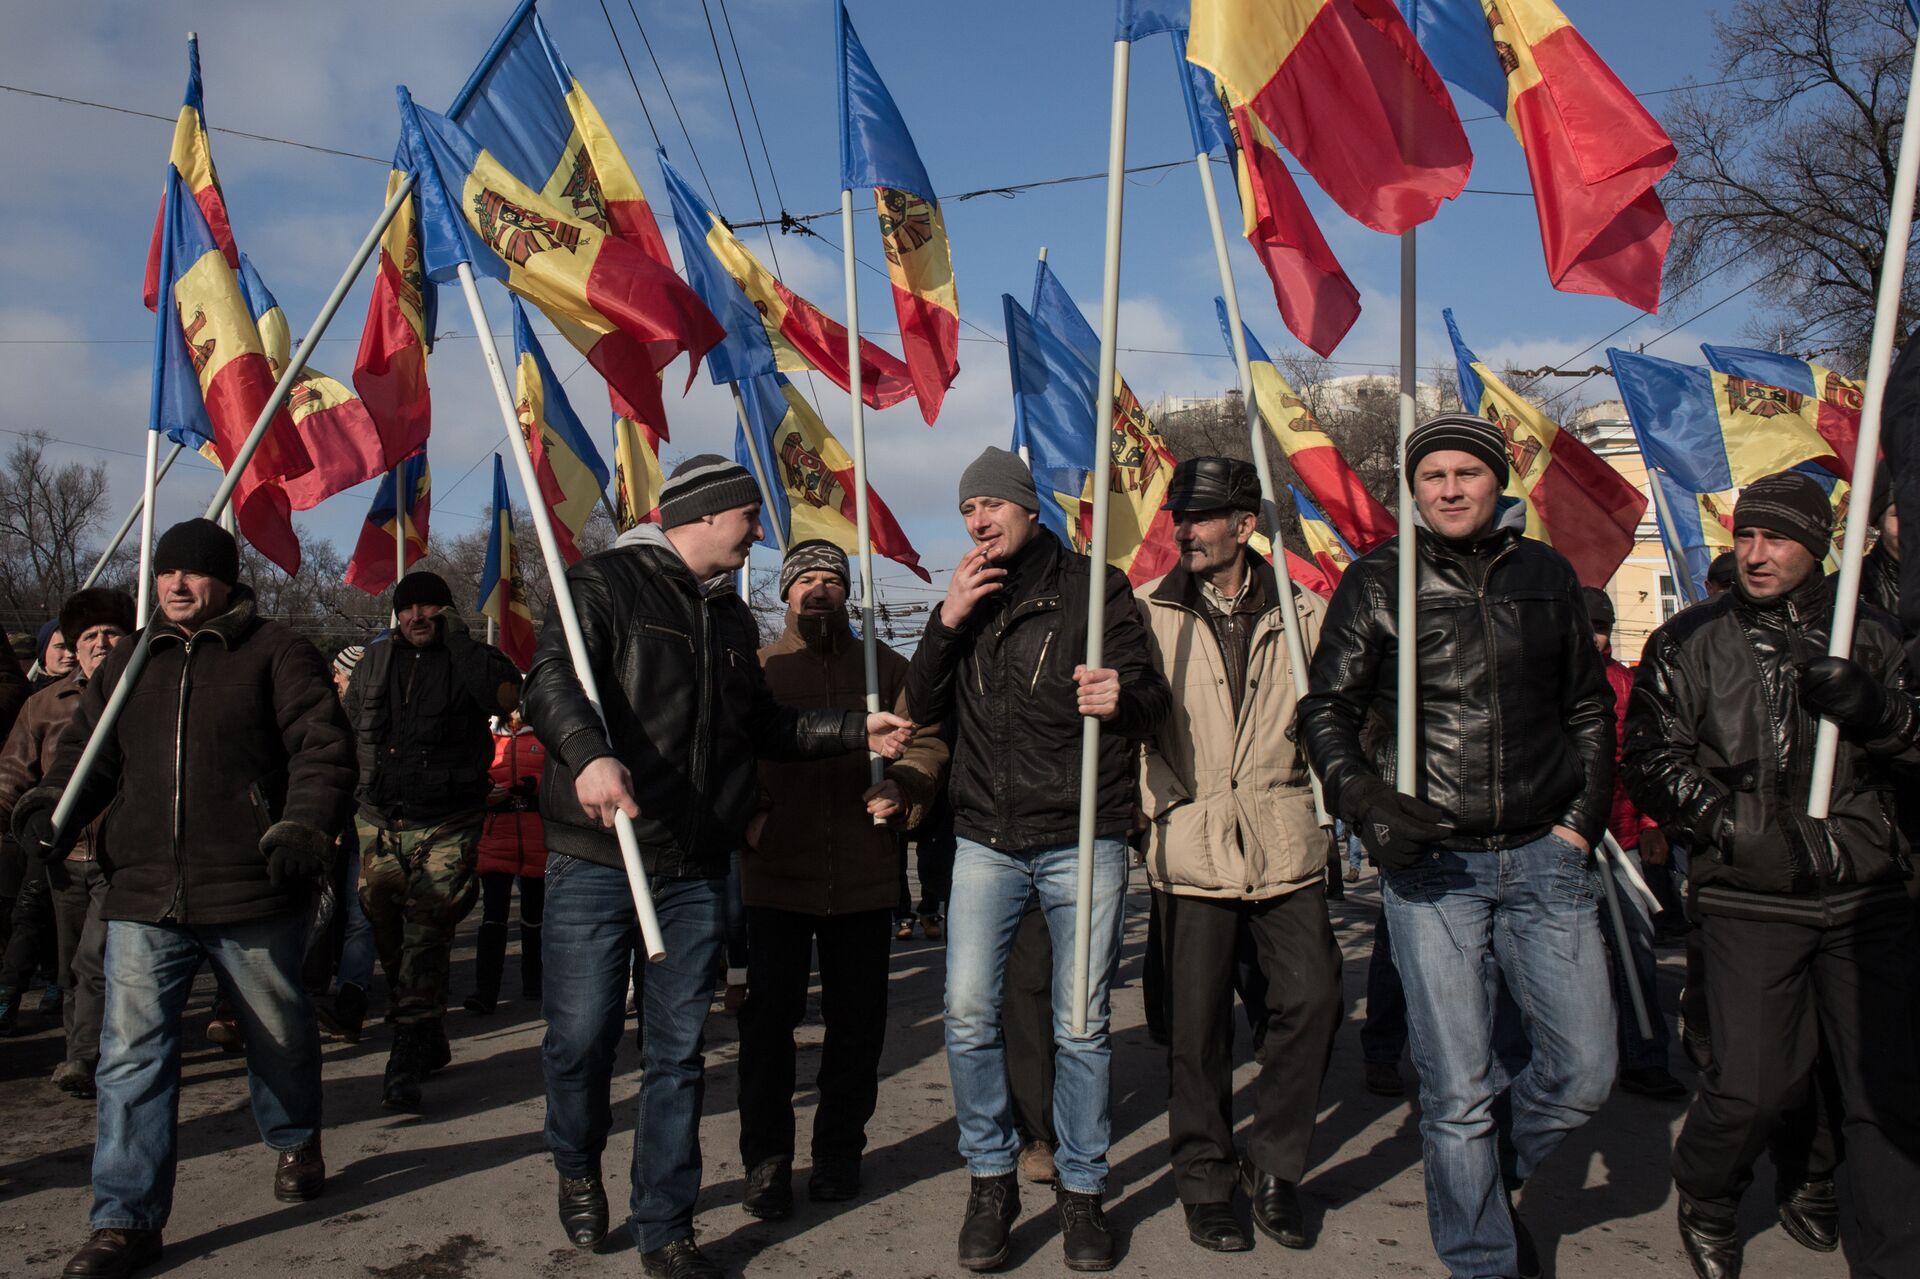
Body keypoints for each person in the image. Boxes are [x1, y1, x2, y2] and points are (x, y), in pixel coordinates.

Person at [522, 455, 914, 1279]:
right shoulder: (601, 583)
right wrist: (588, 754)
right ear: (706, 515)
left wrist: (855, 729)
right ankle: (576, 1156)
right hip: (600, 856)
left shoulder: (733, 620)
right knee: (581, 1038)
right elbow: (551, 678)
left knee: (678, 1053)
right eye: (750, 517)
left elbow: (766, 729)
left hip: (697, 868)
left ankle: (666, 1224)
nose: (760, 533)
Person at [1299, 414, 1617, 1279]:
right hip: (1432, 863)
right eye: (1431, 475)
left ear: (1494, 480)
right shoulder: (1378, 580)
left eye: (1464, 474)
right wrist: (1366, 801)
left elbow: (1589, 706)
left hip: (1544, 852)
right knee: (1458, 1086)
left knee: (1585, 1068)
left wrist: (1578, 822)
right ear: (1414, 488)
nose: (1447, 488)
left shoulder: (1546, 573)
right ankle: (1482, 1256)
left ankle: (1483, 1171)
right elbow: (1324, 709)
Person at [11, 518, 354, 1278]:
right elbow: (85, 755)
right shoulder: (129, 661)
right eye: (165, 572)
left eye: (193, 573)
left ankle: (295, 1134)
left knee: (280, 1035)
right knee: (131, 1056)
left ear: (227, 580)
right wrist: (52, 801)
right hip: (139, 893)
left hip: (250, 890)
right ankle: (124, 1220)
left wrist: (302, 822)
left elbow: (323, 746)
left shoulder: (276, 652)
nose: (174, 585)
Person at [1622, 469, 1920, 1279]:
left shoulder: (1878, 634)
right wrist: (1739, 826)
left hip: (1867, 892)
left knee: (1883, 1091)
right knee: (1755, 1082)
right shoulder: (1690, 640)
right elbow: (1650, 759)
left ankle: (1882, 1242)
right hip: (1750, 891)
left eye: (1777, 537)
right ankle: (1711, 1189)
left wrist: (1882, 716)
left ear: (1818, 548)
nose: (1755, 554)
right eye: (1745, 536)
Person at [905, 446, 1170, 1273]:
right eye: (967, 509)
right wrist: (945, 621)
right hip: (985, 838)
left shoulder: (1098, 588)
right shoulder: (965, 599)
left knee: (1083, 1024)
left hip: (1080, 835)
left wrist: (1122, 696)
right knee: (968, 1012)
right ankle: (992, 1177)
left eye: (992, 504)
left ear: (1028, 508)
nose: (979, 521)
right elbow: (920, 705)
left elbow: (1155, 695)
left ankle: (1084, 1192)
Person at [1135, 457, 1343, 1254]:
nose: (1183, 529)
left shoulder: (1304, 612)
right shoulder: (1149, 612)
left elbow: (1332, 718)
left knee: (1314, 1000)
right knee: (1196, 1029)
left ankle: (1277, 1167)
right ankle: (1205, 1179)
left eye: (1201, 515)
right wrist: (1143, 813)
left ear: (1245, 526)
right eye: (1180, 514)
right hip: (1190, 841)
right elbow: (1130, 728)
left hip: (1284, 833)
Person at [737, 539, 948, 1218]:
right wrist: (751, 813)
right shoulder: (761, 668)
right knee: (769, 1028)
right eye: (807, 579)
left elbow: (927, 736)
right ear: (785, 592)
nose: (820, 589)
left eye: (832, 578)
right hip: (776, 875)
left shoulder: (885, 666)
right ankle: (765, 1163)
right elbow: (729, 748)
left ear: (849, 591)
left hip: (863, 875)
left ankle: (837, 1154)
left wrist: (906, 786)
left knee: (856, 1028)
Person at [343, 570, 522, 1110]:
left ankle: (404, 1054)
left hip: (447, 821)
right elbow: (346, 731)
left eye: (429, 608)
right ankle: (428, 1031)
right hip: (378, 817)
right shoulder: (374, 663)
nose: (417, 617)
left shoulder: (467, 660)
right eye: (408, 608)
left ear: (444, 612)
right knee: (384, 924)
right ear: (396, 615)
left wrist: (460, 639)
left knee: (427, 929)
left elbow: (505, 693)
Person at [0, 589, 133, 1094]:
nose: (101, 643)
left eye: (111, 633)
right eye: (89, 636)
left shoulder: (144, 692)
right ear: (73, 648)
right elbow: (13, 773)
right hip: (64, 854)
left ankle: (90, 1057)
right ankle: (82, 1053)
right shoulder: (43, 704)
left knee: (95, 960)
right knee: (71, 964)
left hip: (124, 855)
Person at [1582, 586, 1686, 1102]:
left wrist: (1651, 824)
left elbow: (1646, 759)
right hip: (1556, 842)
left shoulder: (1626, 684)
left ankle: (1645, 1054)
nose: (1595, 637)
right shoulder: (1538, 679)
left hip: (1617, 841)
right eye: (1588, 626)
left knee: (1636, 947)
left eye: (1602, 626)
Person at [465, 709, 546, 1015]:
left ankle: (534, 983)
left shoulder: (542, 733)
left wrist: (534, 784)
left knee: (534, 913)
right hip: (497, 832)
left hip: (536, 832)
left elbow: (554, 772)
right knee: (494, 914)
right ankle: (486, 990)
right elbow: (473, 773)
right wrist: (486, 791)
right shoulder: (487, 735)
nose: (515, 710)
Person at [318, 645, 377, 1042]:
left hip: (357, 825)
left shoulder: (355, 720)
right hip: (339, 824)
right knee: (336, 912)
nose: (334, 680)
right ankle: (337, 986)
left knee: (356, 914)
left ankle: (349, 994)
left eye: (339, 674)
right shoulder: (326, 715)